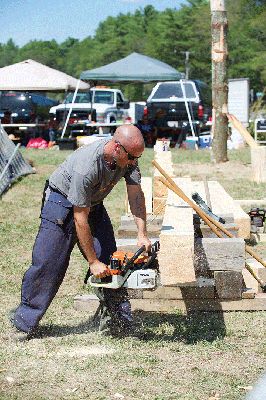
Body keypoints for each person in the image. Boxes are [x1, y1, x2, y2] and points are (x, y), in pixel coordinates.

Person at [11, 124, 151, 339]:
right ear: (117, 149)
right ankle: (24, 323)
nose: (134, 162)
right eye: (132, 157)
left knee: (111, 260)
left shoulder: (129, 159)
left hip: (91, 204)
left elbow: (136, 195)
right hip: (61, 202)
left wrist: (142, 233)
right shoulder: (86, 167)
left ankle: (117, 321)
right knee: (49, 262)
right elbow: (79, 218)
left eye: (137, 157)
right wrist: (92, 262)